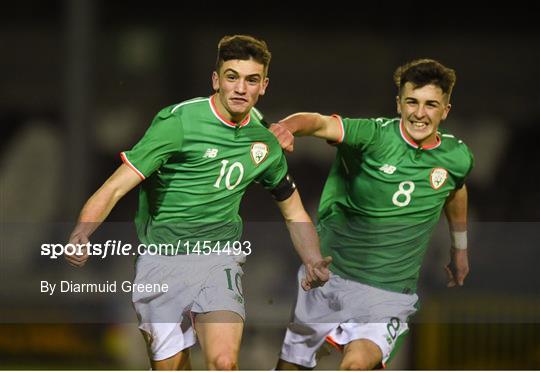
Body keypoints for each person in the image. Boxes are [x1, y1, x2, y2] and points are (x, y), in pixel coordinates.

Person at [65, 34, 331, 370]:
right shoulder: (177, 123)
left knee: (223, 362)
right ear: (216, 80)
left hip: (218, 260)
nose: (240, 88)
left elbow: (293, 210)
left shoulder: (264, 142)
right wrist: (82, 232)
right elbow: (116, 187)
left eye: (251, 80)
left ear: (263, 85)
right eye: (231, 77)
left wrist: (312, 259)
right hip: (161, 261)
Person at [270, 59, 474, 370]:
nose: (420, 113)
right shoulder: (373, 136)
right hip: (329, 277)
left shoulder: (457, 157)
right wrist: (287, 127)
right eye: (412, 102)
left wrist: (459, 249)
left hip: (387, 292)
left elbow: (456, 189)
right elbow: (318, 122)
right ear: (398, 104)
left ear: (445, 109)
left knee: (356, 365)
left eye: (431, 104)